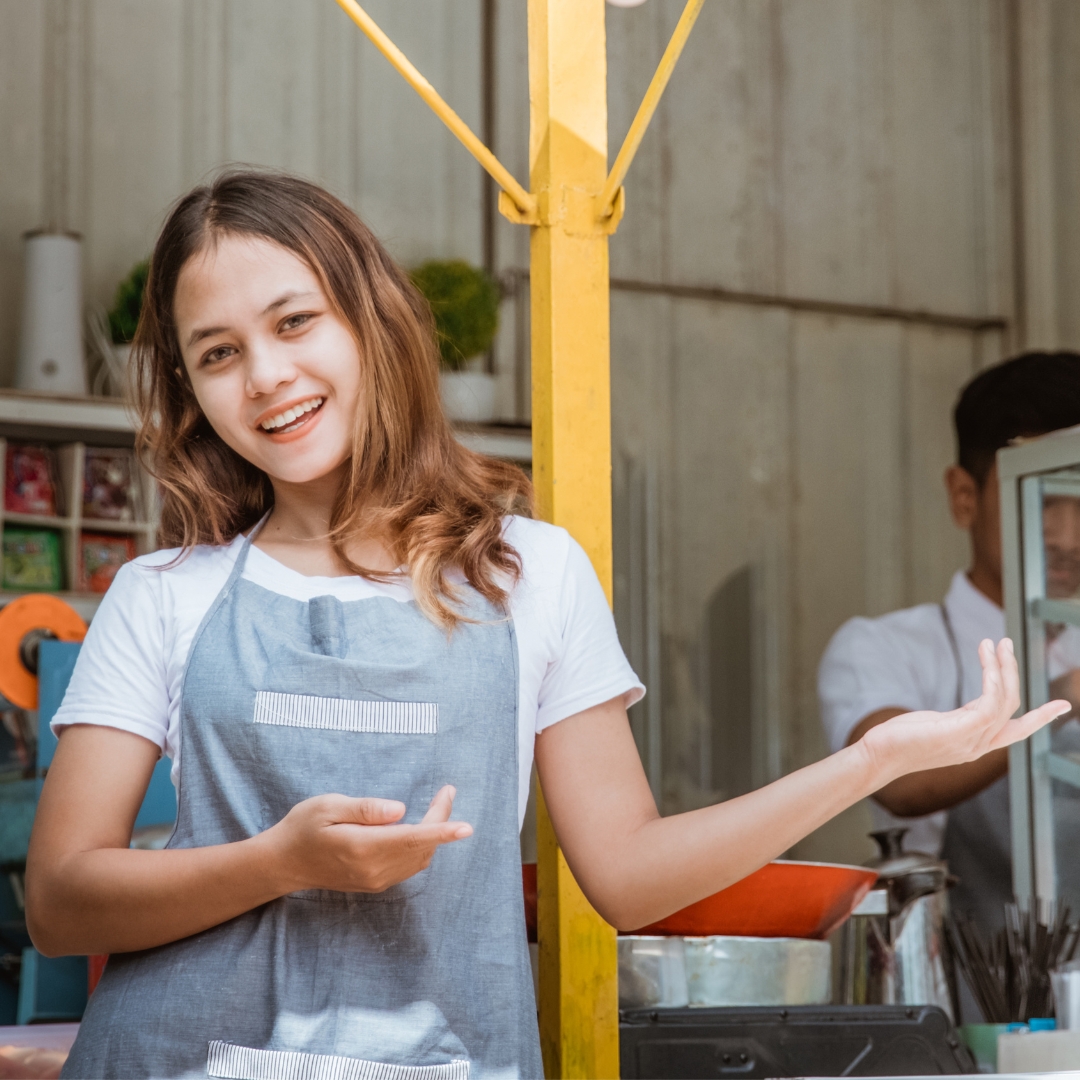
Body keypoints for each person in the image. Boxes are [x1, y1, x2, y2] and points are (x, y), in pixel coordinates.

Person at [25, 172, 1065, 1080]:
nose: (264, 377)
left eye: (295, 323)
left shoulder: (530, 575)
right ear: (192, 391)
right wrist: (282, 862)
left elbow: (627, 877)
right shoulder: (165, 594)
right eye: (217, 354)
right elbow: (61, 902)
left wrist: (871, 760)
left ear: (370, 321)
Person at [819, 352, 1080, 940]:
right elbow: (899, 779)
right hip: (959, 997)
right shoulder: (883, 648)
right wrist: (1059, 699)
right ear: (964, 495)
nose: (1070, 536)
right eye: (1044, 498)